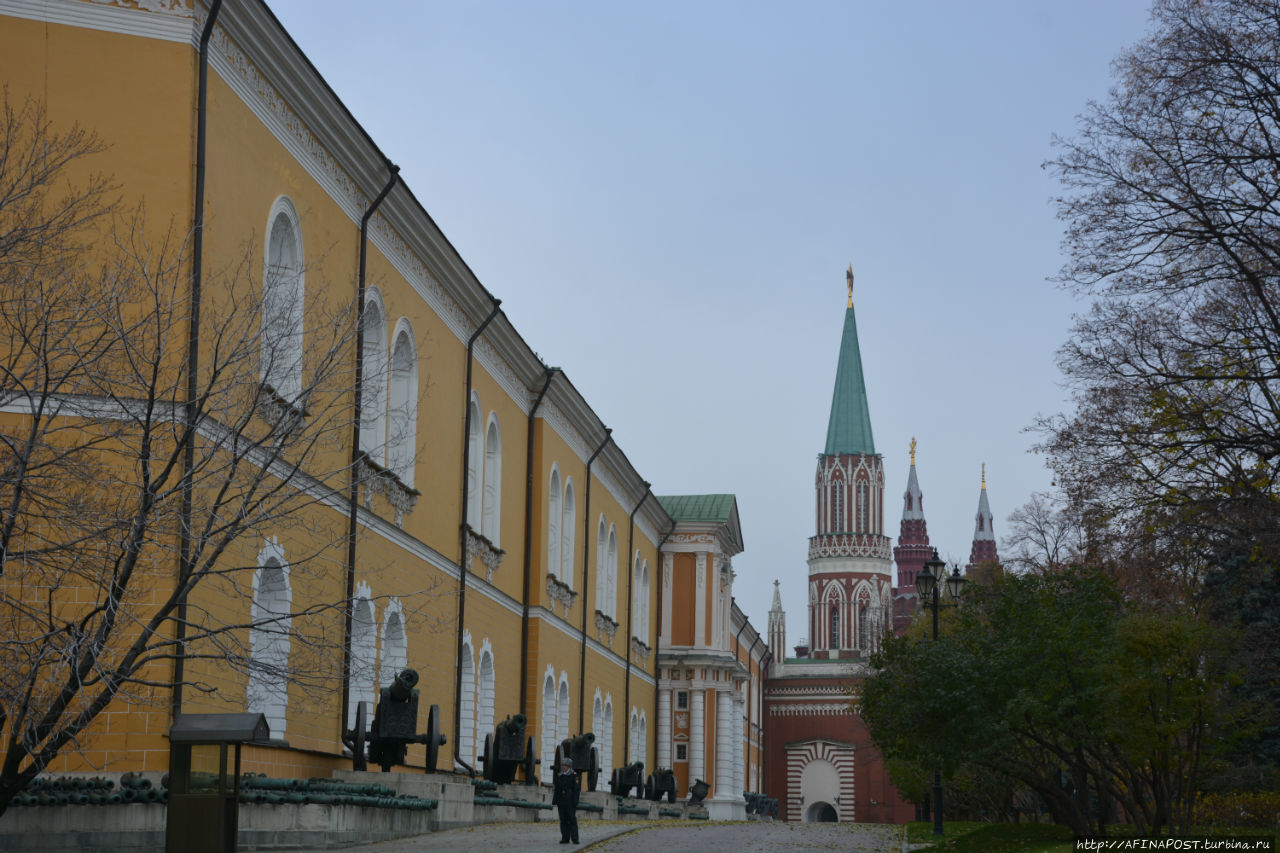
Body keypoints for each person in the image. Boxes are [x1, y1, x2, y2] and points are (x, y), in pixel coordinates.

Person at [551, 756, 580, 844]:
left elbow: (576, 790)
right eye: (563, 765)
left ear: (569, 766)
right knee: (563, 820)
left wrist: (575, 801)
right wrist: (555, 800)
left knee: (571, 819)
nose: (563, 767)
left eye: (565, 765)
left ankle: (575, 838)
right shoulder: (560, 776)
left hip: (570, 801)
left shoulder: (574, 776)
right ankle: (565, 838)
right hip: (561, 801)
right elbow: (557, 789)